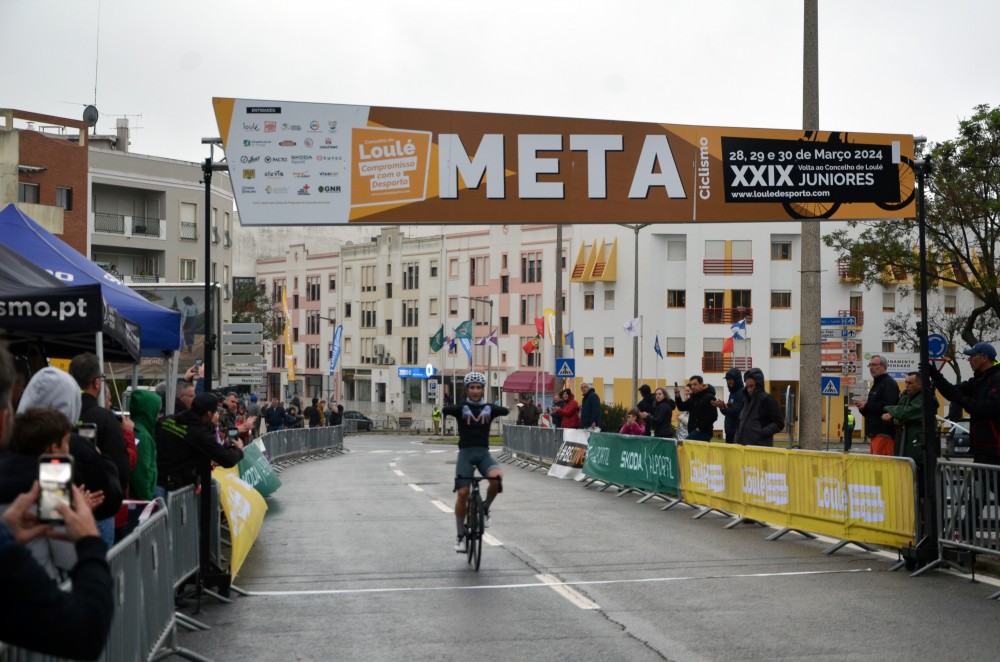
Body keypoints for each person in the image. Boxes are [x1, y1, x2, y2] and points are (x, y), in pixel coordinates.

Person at [0, 346, 114, 660]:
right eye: (67, 442)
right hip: (41, 610)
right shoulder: (52, 478)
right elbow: (67, 558)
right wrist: (87, 535)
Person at [69, 353, 131, 547]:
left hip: (63, 507)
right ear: (97, 383)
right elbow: (121, 469)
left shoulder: (61, 414)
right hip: (100, 508)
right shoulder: (105, 418)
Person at [443, 372, 508, 553]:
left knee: (497, 478)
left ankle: (485, 508)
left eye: (479, 388)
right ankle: (460, 536)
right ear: (467, 389)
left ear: (483, 389)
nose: (475, 391)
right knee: (463, 492)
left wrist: (497, 408)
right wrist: (450, 407)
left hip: (483, 455)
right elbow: (445, 410)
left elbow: (505, 411)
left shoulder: (489, 408)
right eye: (472, 387)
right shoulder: (461, 408)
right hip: (465, 454)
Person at [155, 393, 244, 495]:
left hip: (154, 480)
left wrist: (213, 427)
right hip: (170, 489)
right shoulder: (199, 434)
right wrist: (239, 450)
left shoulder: (168, 419)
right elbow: (227, 459)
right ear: (209, 414)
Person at [928, 342, 1000, 466]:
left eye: (972, 356)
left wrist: (961, 399)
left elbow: (987, 408)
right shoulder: (977, 380)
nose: (969, 359)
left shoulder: (996, 379)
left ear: (984, 358)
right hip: (980, 448)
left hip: (995, 450)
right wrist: (935, 375)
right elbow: (952, 392)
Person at [882, 372, 930, 487]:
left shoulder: (925, 399)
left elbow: (906, 412)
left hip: (918, 453)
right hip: (903, 451)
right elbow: (900, 417)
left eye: (910, 383)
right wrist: (894, 418)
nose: (907, 385)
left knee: (919, 488)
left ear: (920, 384)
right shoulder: (905, 398)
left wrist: (891, 410)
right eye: (906, 382)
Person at [855, 355, 900, 456]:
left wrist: (867, 405)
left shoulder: (888, 383)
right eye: (870, 365)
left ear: (884, 366)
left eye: (874, 365)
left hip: (884, 433)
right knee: (877, 468)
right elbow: (873, 409)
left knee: (883, 467)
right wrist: (863, 408)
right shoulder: (877, 384)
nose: (871, 368)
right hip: (875, 433)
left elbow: (889, 406)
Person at [734, 368, 784, 447]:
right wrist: (736, 441)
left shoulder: (767, 399)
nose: (749, 389)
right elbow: (739, 422)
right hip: (742, 449)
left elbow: (779, 423)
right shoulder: (745, 400)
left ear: (758, 384)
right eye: (747, 387)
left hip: (759, 449)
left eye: (751, 386)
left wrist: (762, 433)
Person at [674, 376, 718, 441]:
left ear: (701, 384)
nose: (692, 387)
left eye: (695, 384)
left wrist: (700, 428)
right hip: (693, 431)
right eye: (691, 385)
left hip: (703, 432)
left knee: (684, 446)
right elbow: (682, 407)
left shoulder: (709, 397)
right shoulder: (693, 397)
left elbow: (713, 416)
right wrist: (677, 395)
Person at [712, 367, 746, 444]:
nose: (729, 381)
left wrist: (722, 407)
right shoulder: (733, 392)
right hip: (730, 430)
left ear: (737, 379)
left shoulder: (741, 393)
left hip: (736, 431)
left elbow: (737, 412)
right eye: (727, 379)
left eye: (731, 379)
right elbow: (731, 408)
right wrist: (723, 406)